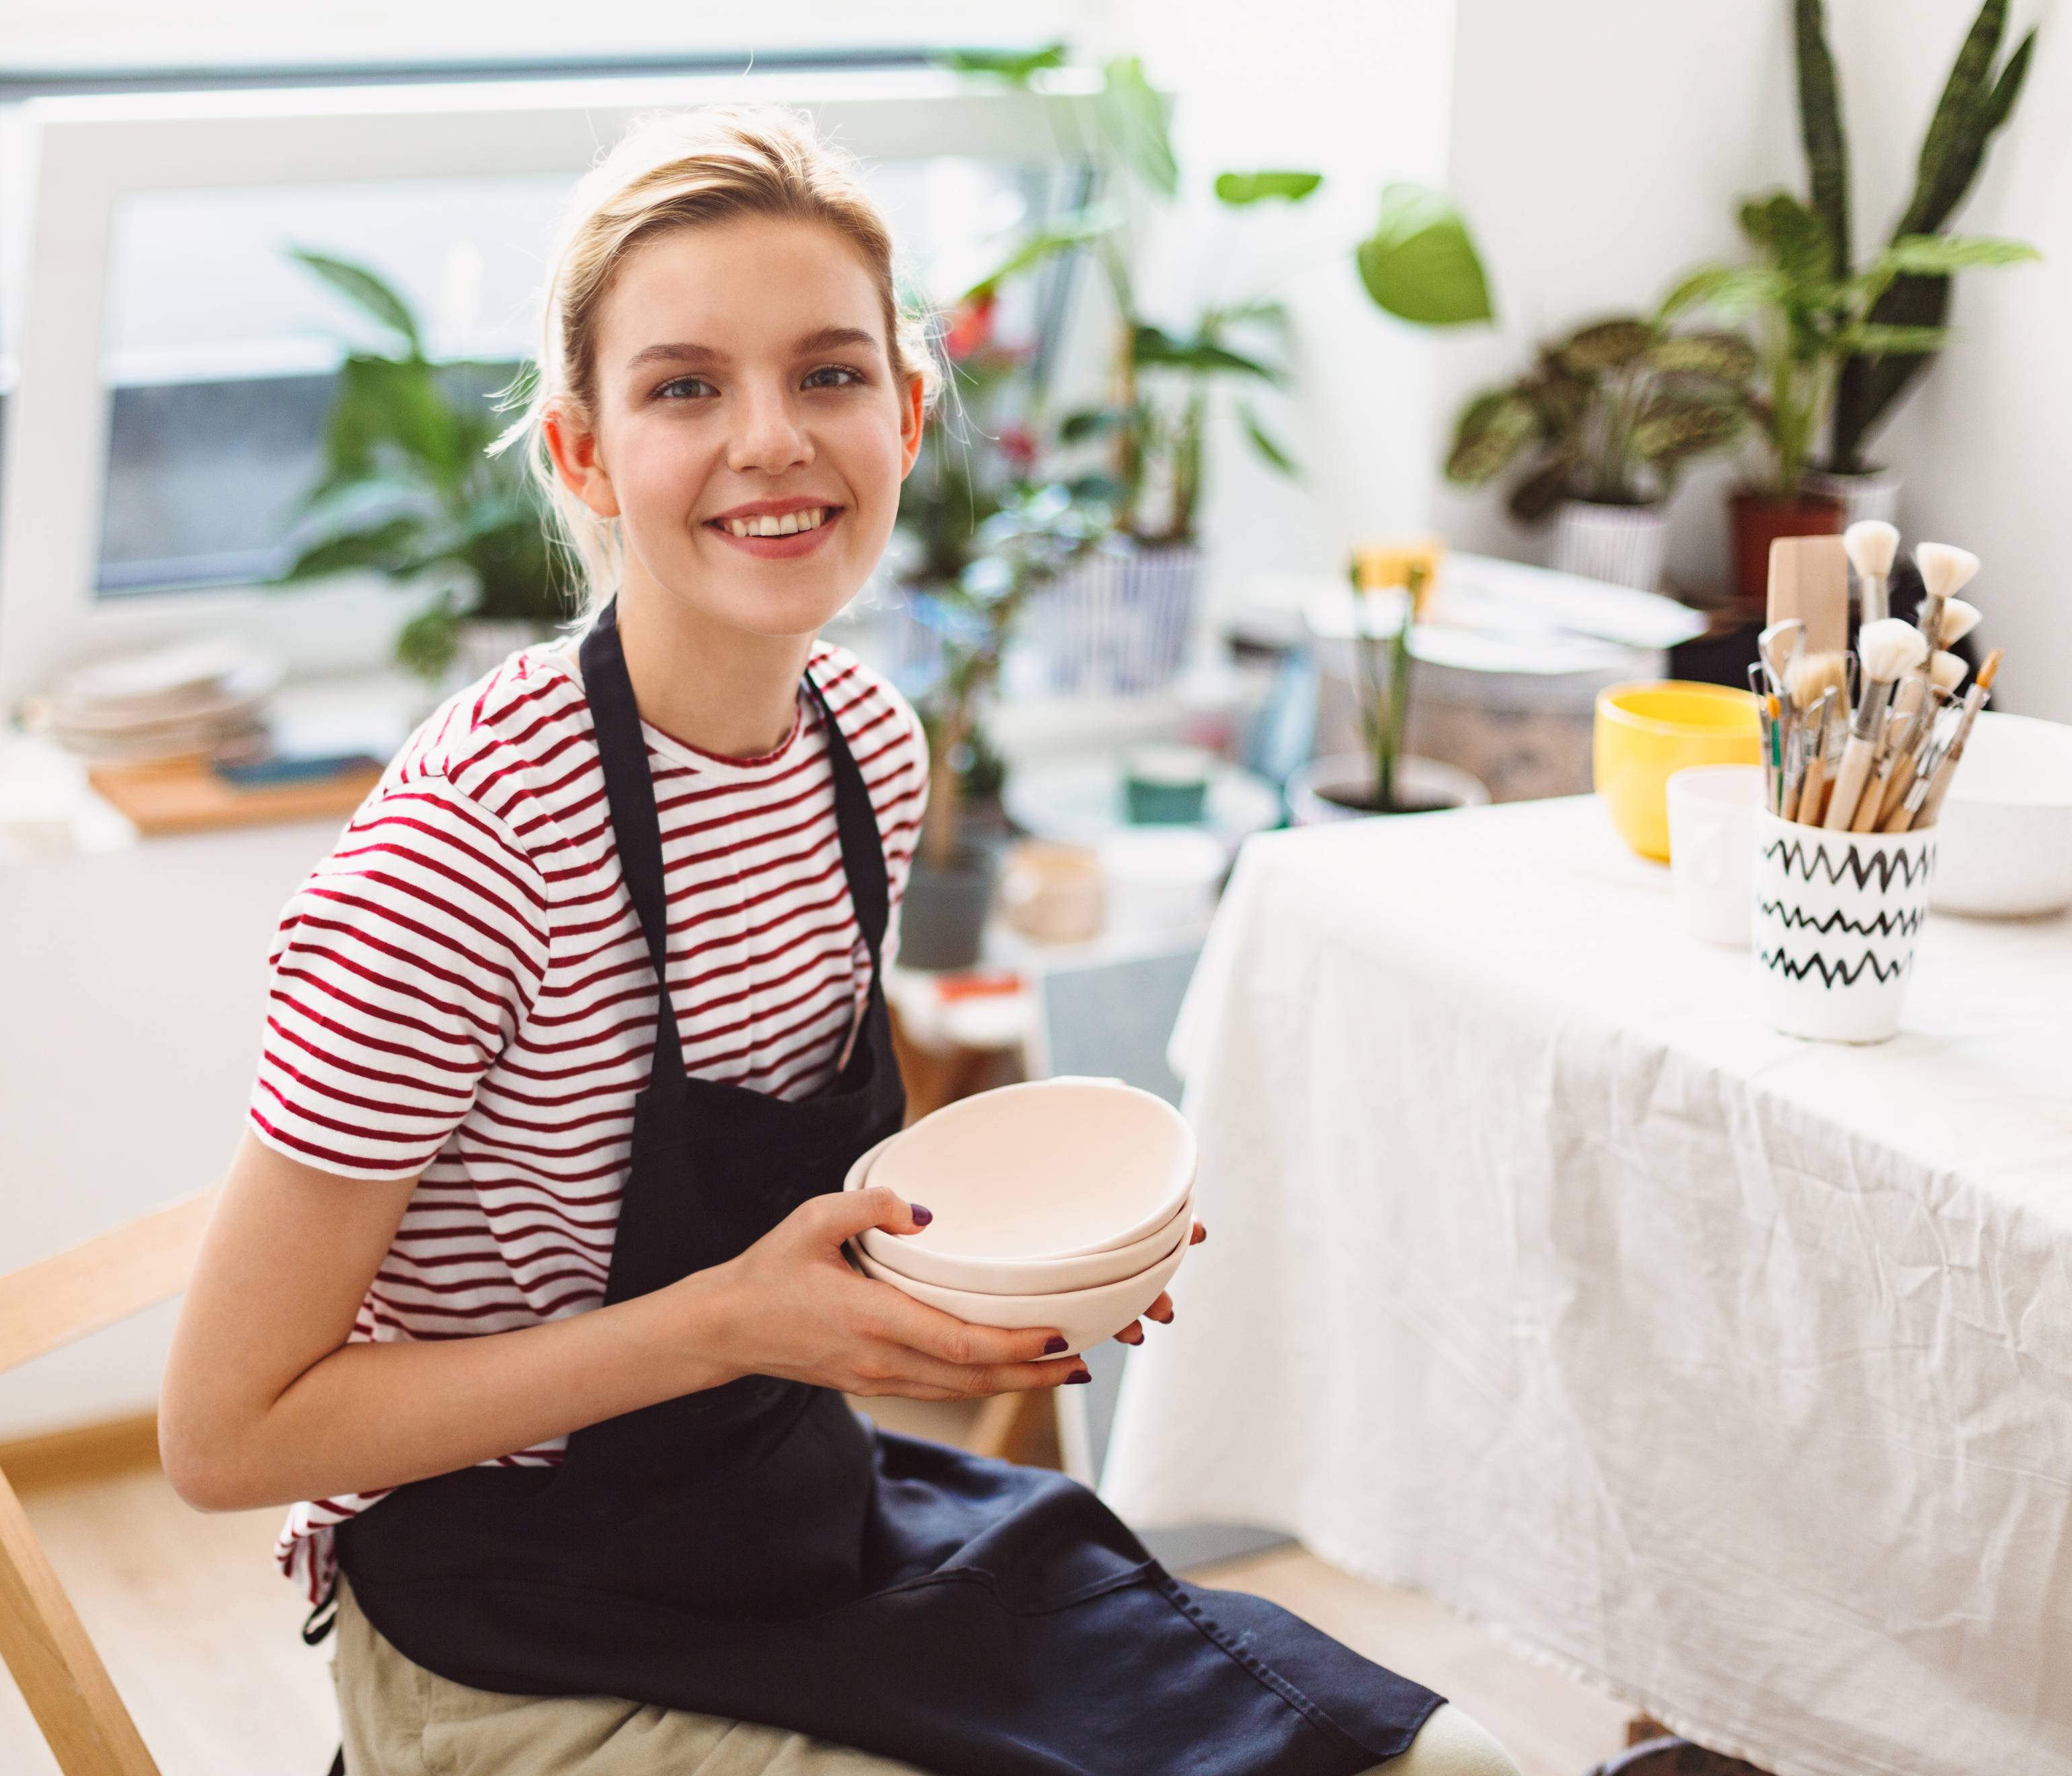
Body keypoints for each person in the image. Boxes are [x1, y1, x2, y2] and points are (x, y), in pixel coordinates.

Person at [159, 104, 1519, 1776]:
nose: (771, 440)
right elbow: (225, 1432)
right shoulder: (463, 854)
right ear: (581, 454)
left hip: (806, 1518)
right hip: (503, 1628)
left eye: (827, 374)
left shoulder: (865, 750)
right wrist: (733, 1320)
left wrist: (1000, 1277)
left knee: (1450, 1760)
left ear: (908, 413)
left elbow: (784, 1232)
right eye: (683, 387)